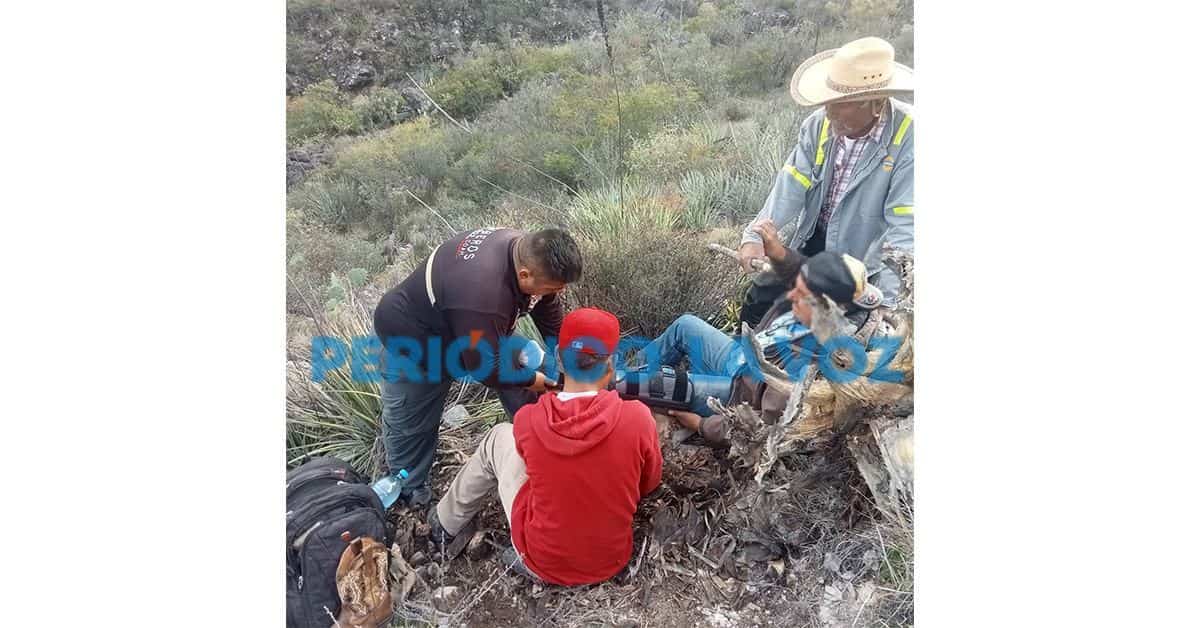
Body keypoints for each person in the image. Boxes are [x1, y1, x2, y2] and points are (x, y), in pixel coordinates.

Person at [428, 307, 663, 585]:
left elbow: (537, 457)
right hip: (610, 561)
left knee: (498, 437)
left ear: (560, 361)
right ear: (610, 365)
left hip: (540, 561)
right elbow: (648, 485)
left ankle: (443, 525)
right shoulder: (637, 418)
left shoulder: (530, 420)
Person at [372, 227, 582, 508]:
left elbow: (547, 305)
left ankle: (540, 442)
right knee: (411, 424)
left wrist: (564, 357)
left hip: (470, 328)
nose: (559, 292)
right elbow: (487, 371)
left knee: (523, 369)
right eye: (554, 287)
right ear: (524, 276)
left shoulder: (526, 252)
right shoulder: (485, 293)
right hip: (414, 338)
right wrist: (533, 379)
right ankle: (409, 489)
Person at [737, 36, 913, 327]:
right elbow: (791, 184)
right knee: (762, 299)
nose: (829, 112)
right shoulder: (820, 124)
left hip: (862, 259)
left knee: (833, 329)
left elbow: (905, 229)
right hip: (816, 241)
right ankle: (744, 363)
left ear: (875, 103)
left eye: (840, 103)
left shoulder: (909, 137)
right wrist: (755, 237)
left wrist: (889, 303)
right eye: (828, 101)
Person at [638, 247, 887, 439]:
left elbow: (761, 427)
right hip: (740, 360)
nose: (794, 294)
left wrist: (702, 425)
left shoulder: (812, 362)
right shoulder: (818, 309)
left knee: (653, 386)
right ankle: (627, 370)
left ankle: (611, 392)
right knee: (686, 325)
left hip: (736, 396)